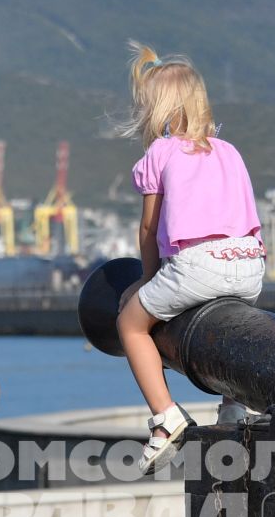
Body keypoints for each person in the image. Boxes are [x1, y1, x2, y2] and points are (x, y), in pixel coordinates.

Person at [114, 42, 265, 473]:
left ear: (154, 110)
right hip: (249, 263)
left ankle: (166, 418)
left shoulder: (159, 154)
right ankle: (234, 406)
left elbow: (148, 229)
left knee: (131, 324)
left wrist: (148, 280)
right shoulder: (229, 150)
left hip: (198, 264)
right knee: (229, 322)